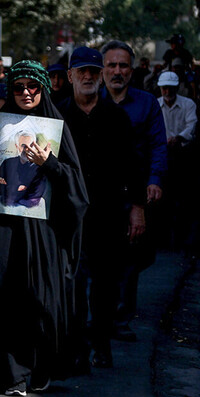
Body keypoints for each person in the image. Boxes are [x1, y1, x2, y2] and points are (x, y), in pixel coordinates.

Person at [0, 60, 89, 397]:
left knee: (40, 298)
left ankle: (41, 368)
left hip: (44, 232)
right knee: (5, 298)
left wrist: (48, 163)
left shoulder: (57, 128)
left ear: (43, 89)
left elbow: (76, 186)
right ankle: (12, 374)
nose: (25, 93)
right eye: (18, 87)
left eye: (32, 86)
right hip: (3, 229)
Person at [58, 46, 143, 369]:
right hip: (68, 215)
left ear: (102, 75)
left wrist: (137, 207)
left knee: (105, 283)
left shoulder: (116, 117)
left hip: (107, 213)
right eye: (82, 71)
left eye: (94, 71)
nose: (88, 77)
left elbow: (134, 165)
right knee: (74, 282)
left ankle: (101, 343)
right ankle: (77, 346)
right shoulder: (58, 115)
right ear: (70, 76)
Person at [101, 40, 167, 342]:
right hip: (98, 192)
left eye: (123, 65)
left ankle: (121, 318)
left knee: (130, 255)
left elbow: (157, 145)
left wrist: (154, 180)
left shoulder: (147, 103)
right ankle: (96, 317)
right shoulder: (91, 100)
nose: (117, 71)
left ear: (132, 69)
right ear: (102, 69)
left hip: (135, 190)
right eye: (111, 65)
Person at [157, 71, 198, 250]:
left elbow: (192, 125)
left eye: (169, 88)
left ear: (175, 88)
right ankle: (164, 238)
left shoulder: (187, 104)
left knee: (183, 197)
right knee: (164, 198)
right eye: (164, 88)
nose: (166, 91)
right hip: (163, 153)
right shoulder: (156, 105)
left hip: (183, 154)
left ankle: (182, 237)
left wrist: (179, 138)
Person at [0, 130, 48, 208]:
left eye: (31, 145)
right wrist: (20, 188)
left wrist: (7, 187)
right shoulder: (7, 163)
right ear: (17, 146)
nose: (27, 149)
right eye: (23, 145)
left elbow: (36, 196)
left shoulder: (39, 167)